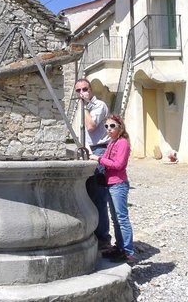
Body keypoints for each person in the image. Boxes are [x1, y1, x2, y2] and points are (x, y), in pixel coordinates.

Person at [90, 114, 135, 262]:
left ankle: (128, 252)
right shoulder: (112, 142)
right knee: (115, 218)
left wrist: (99, 159)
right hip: (110, 184)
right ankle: (120, 247)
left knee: (122, 218)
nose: (109, 129)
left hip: (118, 184)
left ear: (120, 127)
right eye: (106, 126)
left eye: (112, 126)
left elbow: (118, 164)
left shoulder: (122, 143)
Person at [74, 78, 111, 250]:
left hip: (99, 151)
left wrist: (84, 107)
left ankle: (103, 239)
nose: (82, 93)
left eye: (85, 89)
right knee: (87, 194)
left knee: (98, 196)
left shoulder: (98, 106)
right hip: (88, 151)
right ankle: (92, 234)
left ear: (91, 90)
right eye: (78, 91)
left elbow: (91, 126)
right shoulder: (84, 108)